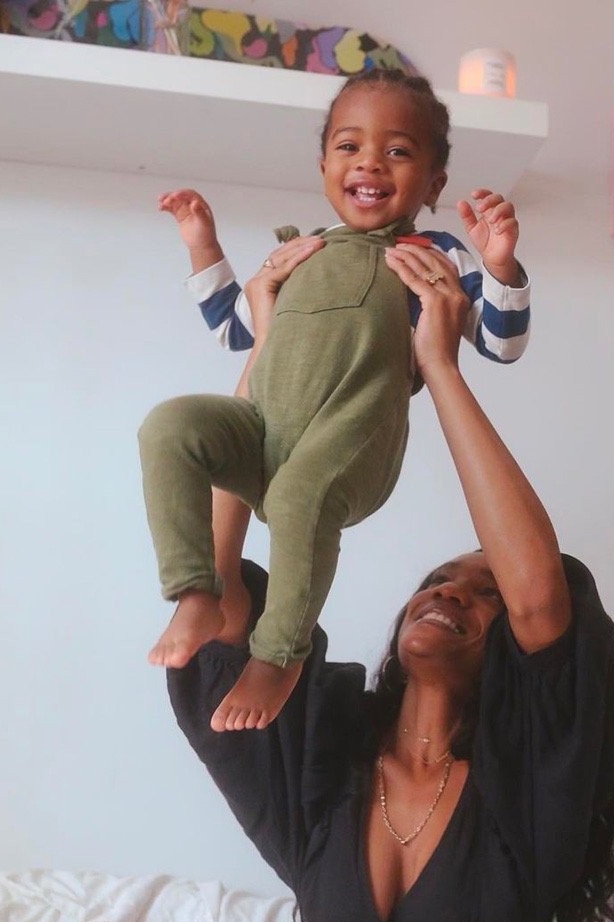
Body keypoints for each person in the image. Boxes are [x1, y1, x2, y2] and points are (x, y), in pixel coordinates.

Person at [33, 222, 614, 922]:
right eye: (441, 578)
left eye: (481, 593)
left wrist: (440, 368)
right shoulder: (330, 749)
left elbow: (541, 601)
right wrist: (269, 368)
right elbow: (226, 602)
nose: (454, 593)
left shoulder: (536, 782)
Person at [138, 69, 531, 734]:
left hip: (353, 442)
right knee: (170, 425)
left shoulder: (433, 253)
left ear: (434, 183)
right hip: (264, 432)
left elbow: (501, 341)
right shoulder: (304, 249)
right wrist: (204, 243)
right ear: (324, 164)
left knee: (298, 497)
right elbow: (237, 326)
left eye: (399, 151)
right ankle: (198, 591)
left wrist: (499, 267)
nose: (371, 162)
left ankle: (279, 656)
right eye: (349, 147)